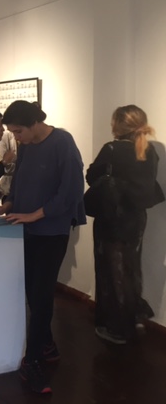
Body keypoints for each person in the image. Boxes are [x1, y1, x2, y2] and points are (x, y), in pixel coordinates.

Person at [0, 100, 86, 394]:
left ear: (34, 124)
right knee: (32, 291)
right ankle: (48, 345)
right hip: (27, 229)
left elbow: (71, 192)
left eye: (18, 131)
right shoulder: (27, 146)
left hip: (52, 231)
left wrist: (34, 214)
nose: (16, 138)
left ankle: (32, 361)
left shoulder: (62, 142)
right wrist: (6, 206)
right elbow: (19, 183)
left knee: (41, 296)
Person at [86, 105, 164, 344]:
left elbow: (92, 176)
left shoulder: (112, 149)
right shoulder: (150, 150)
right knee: (130, 267)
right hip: (136, 218)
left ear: (119, 124)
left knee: (112, 271)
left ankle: (119, 328)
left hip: (112, 217)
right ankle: (134, 315)